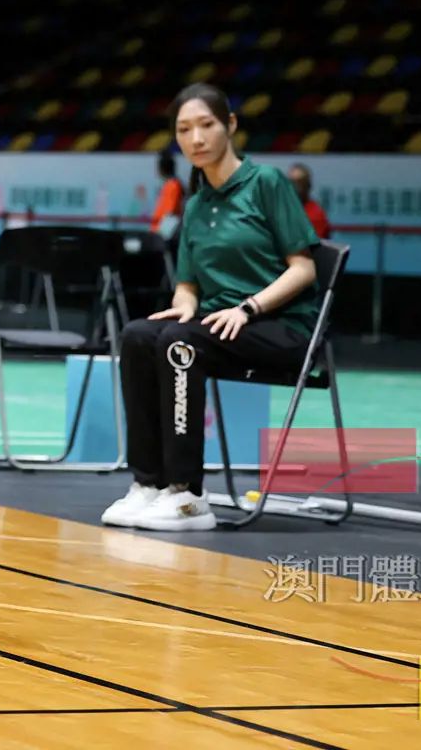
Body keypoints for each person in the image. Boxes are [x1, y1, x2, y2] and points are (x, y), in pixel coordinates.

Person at [101, 83, 320, 533]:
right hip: (218, 325)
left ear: (231, 125)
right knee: (140, 335)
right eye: (184, 130)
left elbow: (304, 269)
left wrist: (249, 307)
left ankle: (186, 495)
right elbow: (187, 287)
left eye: (207, 125)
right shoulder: (197, 202)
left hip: (281, 327)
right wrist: (182, 306)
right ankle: (148, 484)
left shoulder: (266, 184)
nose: (196, 138)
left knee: (181, 343)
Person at [287, 162, 332, 239]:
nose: (294, 187)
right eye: (290, 182)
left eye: (299, 183)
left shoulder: (316, 214)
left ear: (308, 186)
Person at [148, 148, 183, 238]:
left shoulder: (173, 185)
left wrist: (162, 233)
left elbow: (170, 213)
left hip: (163, 232)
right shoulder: (169, 185)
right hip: (158, 230)